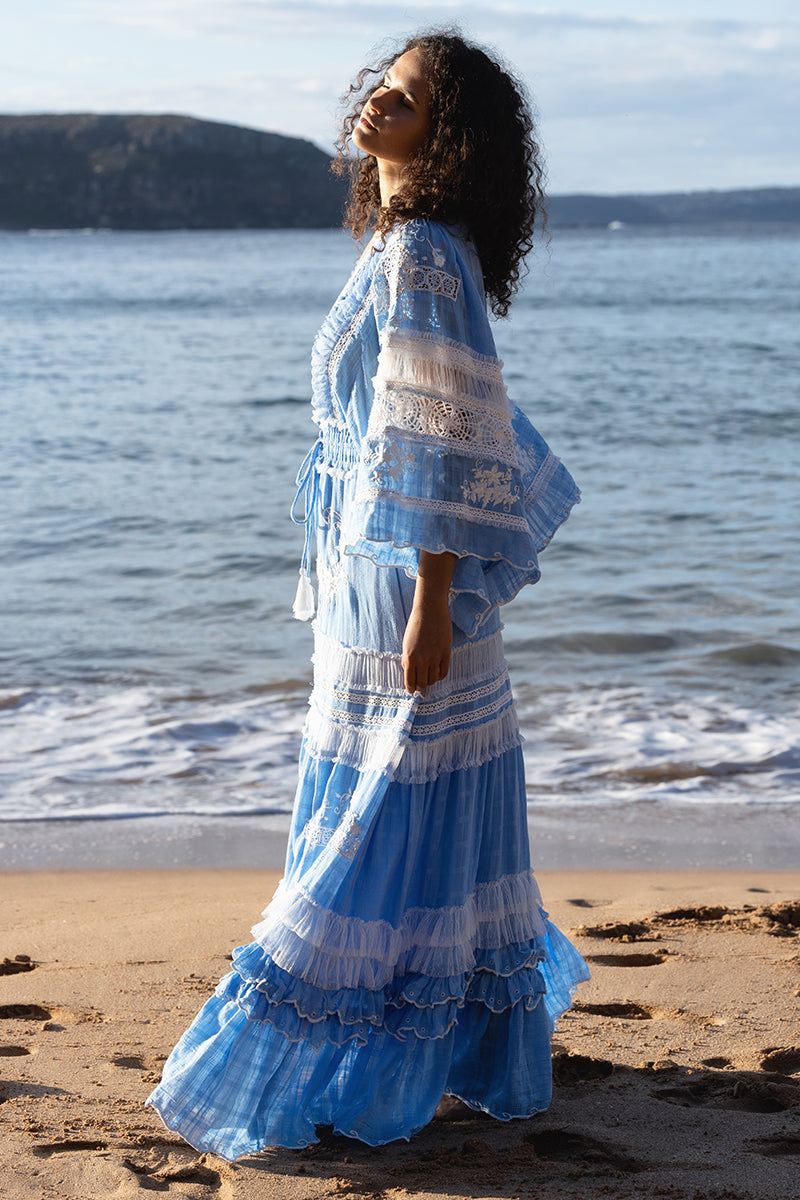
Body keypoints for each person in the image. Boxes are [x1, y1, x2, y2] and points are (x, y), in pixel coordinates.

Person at [147, 30, 589, 1158]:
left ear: (446, 137)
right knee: (396, 803)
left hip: (402, 585)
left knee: (383, 807)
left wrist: (436, 603)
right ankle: (413, 1047)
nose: (376, 105)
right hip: (369, 568)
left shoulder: (423, 256)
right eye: (380, 85)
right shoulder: (401, 244)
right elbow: (440, 425)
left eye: (406, 97)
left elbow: (443, 439)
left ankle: (344, 1053)